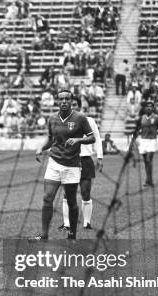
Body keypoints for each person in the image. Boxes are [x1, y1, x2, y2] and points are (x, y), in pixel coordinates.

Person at [34, 90, 95, 240]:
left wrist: (78, 140)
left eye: (67, 98)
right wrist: (41, 148)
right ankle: (44, 235)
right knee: (48, 198)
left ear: (71, 100)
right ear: (57, 101)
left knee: (72, 200)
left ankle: (72, 234)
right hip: (54, 162)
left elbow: (92, 137)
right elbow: (50, 139)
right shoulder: (52, 119)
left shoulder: (80, 118)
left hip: (72, 165)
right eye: (61, 99)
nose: (64, 101)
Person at [60, 98, 103, 231]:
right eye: (70, 105)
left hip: (85, 160)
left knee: (85, 192)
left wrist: (100, 157)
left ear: (80, 106)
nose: (72, 107)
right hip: (69, 160)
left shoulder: (89, 121)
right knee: (67, 194)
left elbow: (97, 139)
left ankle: (87, 223)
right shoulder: (63, 122)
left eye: (75, 105)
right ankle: (67, 223)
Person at [132, 101, 158, 187]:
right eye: (147, 106)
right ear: (145, 108)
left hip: (152, 141)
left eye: (150, 106)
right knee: (146, 162)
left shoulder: (157, 118)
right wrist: (132, 142)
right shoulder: (141, 118)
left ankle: (150, 180)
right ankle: (148, 180)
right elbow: (136, 131)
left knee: (148, 160)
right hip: (143, 141)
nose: (149, 108)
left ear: (153, 108)